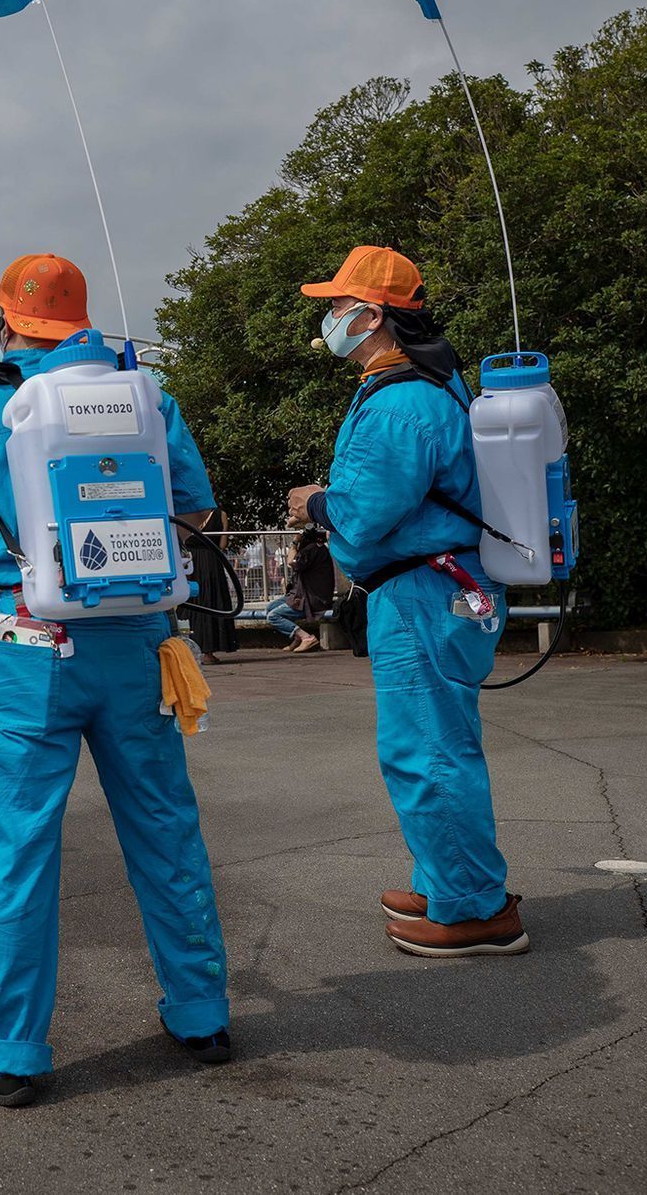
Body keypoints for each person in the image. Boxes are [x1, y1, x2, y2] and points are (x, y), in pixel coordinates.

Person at [0, 253, 232, 1109]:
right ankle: (201, 1013)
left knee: (17, 846)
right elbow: (193, 509)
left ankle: (9, 1054)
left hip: (23, 642)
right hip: (138, 641)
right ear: (82, 322)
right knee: (164, 826)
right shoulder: (146, 395)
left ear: (5, 323)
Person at [287, 245, 525, 958]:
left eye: (337, 305)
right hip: (442, 584)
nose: (330, 317)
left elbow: (362, 513)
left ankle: (473, 909)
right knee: (435, 742)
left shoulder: (399, 402)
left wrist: (313, 502)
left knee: (427, 751)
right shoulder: (434, 383)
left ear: (371, 316)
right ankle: (445, 882)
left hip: (423, 591)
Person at [183, 506, 238, 665]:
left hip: (191, 562)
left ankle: (188, 645)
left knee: (191, 601)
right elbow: (222, 544)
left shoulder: (187, 513)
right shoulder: (221, 515)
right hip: (211, 561)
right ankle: (209, 651)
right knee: (212, 600)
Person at [267, 526, 335, 652]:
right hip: (305, 594)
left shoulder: (311, 550)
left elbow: (290, 562)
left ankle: (306, 637)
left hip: (311, 599)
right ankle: (297, 638)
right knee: (270, 607)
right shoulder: (316, 548)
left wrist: (294, 544)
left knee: (273, 616)